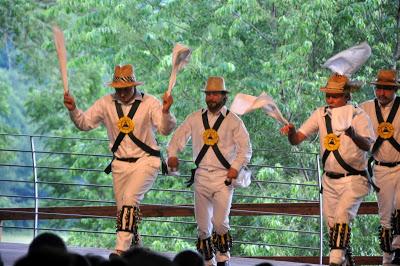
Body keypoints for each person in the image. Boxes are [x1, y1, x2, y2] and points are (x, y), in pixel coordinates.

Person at [63, 64, 176, 257]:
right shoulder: (106, 103)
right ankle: (135, 250)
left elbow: (165, 129)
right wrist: (74, 109)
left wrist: (165, 111)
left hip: (146, 161)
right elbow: (85, 123)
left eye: (126, 88)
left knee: (130, 200)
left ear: (134, 85)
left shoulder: (149, 102)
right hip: (120, 164)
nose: (122, 93)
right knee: (123, 210)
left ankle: (121, 251)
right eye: (118, 89)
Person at [280, 73, 375, 266]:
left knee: (341, 218)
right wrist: (291, 131)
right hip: (329, 180)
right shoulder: (320, 114)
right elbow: (297, 139)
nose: (330, 100)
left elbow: (367, 146)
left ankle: (334, 263)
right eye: (328, 96)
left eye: (335, 96)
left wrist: (353, 134)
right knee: (333, 228)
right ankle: (345, 260)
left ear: (347, 96)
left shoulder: (358, 115)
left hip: (354, 179)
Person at [167, 76, 252, 266]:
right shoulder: (195, 118)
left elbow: (245, 148)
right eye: (209, 94)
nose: (211, 98)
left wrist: (235, 167)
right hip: (202, 176)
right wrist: (172, 154)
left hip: (224, 178)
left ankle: (223, 259)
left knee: (221, 222)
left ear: (223, 96)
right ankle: (208, 261)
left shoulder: (234, 121)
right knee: (203, 226)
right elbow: (178, 137)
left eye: (215, 94)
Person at [360, 69, 400, 265]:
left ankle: (399, 250)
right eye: (379, 88)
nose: (382, 93)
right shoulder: (365, 108)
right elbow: (344, 116)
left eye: (386, 89)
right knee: (385, 217)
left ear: (394, 90)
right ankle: (387, 257)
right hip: (381, 167)